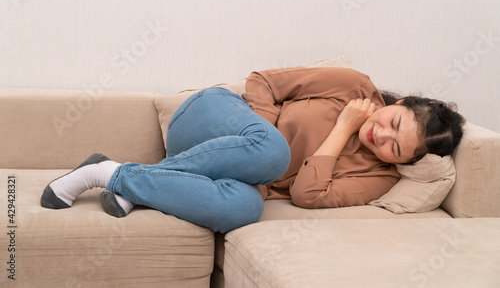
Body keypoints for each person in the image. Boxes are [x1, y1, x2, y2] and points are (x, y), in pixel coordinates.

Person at [41, 66, 465, 233]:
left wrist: (343, 129)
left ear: (407, 162)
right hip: (209, 118)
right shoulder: (353, 84)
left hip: (235, 179)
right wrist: (260, 136)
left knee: (245, 210)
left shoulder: (379, 179)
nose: (382, 137)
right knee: (272, 154)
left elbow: (306, 194)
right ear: (400, 102)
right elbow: (264, 82)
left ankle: (116, 175)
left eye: (396, 147)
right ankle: (105, 177)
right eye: (392, 122)